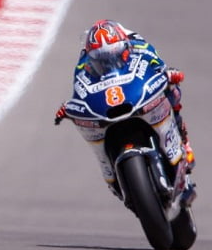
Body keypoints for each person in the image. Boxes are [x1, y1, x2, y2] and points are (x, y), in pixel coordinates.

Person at [54, 19, 194, 193]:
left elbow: (159, 66)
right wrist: (69, 108)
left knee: (173, 91)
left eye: (114, 56)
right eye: (101, 59)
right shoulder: (83, 64)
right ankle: (114, 176)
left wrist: (169, 75)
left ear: (124, 48)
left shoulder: (139, 46)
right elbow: (79, 90)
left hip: (136, 94)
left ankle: (184, 142)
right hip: (110, 104)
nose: (108, 63)